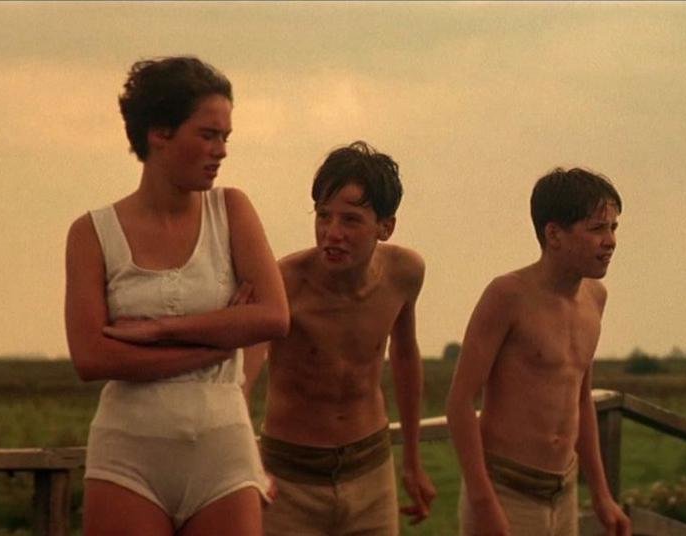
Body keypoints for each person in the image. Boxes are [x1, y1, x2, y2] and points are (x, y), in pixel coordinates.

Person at [63, 56, 289, 535]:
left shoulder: (231, 210)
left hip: (222, 453)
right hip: (129, 455)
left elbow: (273, 317)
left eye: (225, 137)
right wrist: (220, 341)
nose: (221, 151)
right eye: (208, 135)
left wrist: (160, 330)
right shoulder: (92, 233)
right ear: (159, 133)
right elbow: (91, 357)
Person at [242, 141, 436, 535]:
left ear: (385, 227)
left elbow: (404, 355)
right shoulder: (284, 283)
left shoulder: (404, 273)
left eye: (350, 220)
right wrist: (246, 465)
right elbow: (242, 379)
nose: (332, 234)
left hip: (370, 469)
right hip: (289, 476)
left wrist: (413, 460)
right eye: (323, 216)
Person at [446, 168, 632, 536]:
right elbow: (460, 402)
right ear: (554, 234)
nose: (610, 241)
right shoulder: (508, 295)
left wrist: (601, 495)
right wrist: (484, 503)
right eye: (597, 228)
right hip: (507, 489)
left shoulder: (595, 298)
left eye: (613, 228)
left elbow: (581, 399)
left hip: (562, 490)